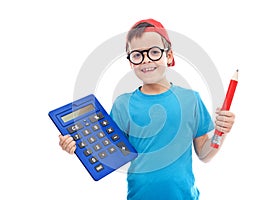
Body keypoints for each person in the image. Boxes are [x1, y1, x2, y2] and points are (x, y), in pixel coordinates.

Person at [59, 19, 235, 200]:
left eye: (154, 52)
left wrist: (221, 133)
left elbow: (205, 155)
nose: (146, 60)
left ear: (169, 56)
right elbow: (110, 155)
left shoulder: (191, 99)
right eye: (137, 55)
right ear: (131, 62)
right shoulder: (123, 104)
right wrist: (77, 145)